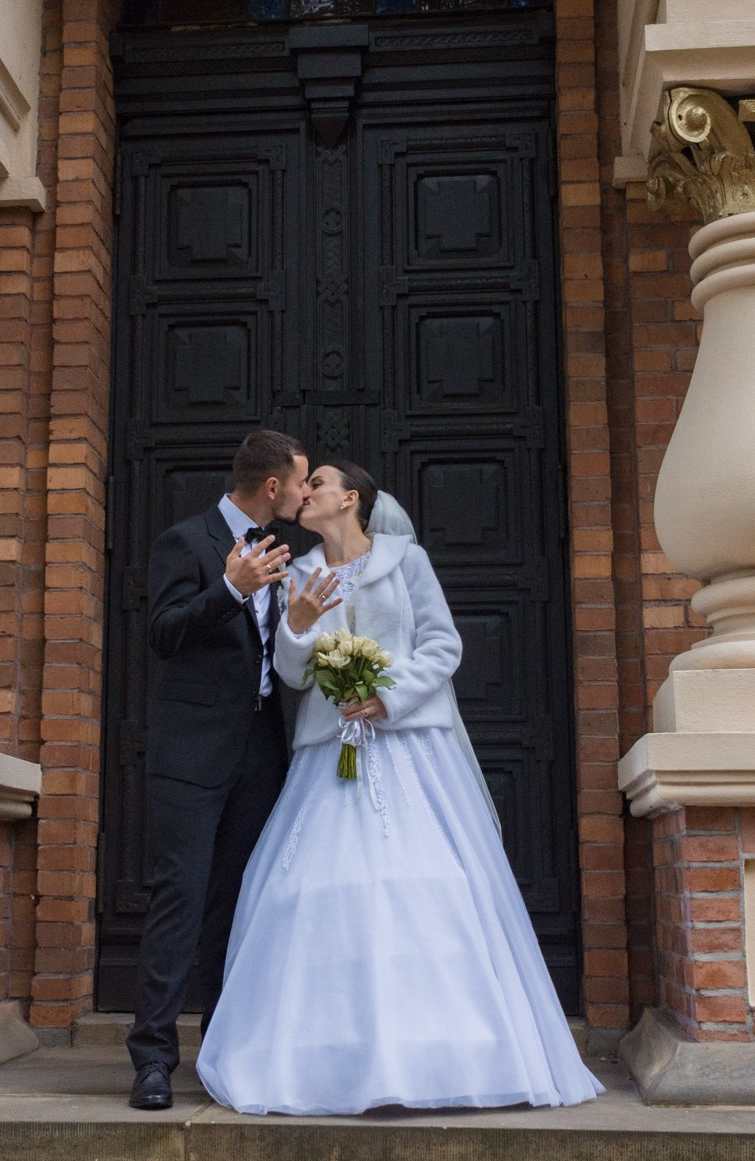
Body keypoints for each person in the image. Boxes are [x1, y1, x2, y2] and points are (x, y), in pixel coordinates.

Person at [194, 461, 603, 1116]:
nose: (307, 492)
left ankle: (444, 1052)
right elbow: (293, 674)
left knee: (422, 885)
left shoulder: (405, 562)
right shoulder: (299, 574)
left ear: (350, 498)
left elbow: (441, 646)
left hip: (412, 748)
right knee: (313, 889)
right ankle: (327, 1055)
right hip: (331, 753)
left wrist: (386, 695)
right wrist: (297, 625)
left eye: (318, 482)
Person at [127, 430, 309, 1110]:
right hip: (191, 754)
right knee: (181, 897)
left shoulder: (287, 553)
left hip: (261, 752)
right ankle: (151, 1057)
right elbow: (164, 633)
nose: (304, 490)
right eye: (298, 481)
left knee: (237, 907)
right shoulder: (188, 540)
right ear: (271, 487)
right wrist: (229, 590)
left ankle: (224, 1049)